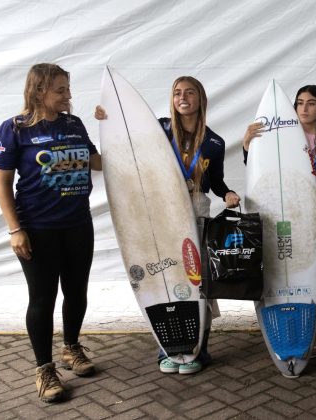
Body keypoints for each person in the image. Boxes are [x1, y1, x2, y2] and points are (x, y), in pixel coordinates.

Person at [96, 76, 240, 374]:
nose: (182, 97)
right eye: (176, 93)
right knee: (161, 274)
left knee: (196, 280)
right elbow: (127, 139)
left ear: (200, 99)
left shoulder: (214, 142)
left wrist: (227, 193)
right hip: (159, 210)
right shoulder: (160, 129)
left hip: (196, 209)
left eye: (189, 92)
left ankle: (199, 347)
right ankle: (167, 348)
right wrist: (107, 117)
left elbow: (216, 183)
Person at [0, 63, 102, 403]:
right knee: (42, 299)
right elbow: (2, 185)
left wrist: (109, 125)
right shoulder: (14, 129)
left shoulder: (74, 124)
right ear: (39, 91)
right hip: (38, 229)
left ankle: (71, 349)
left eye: (68, 88)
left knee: (76, 291)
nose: (68, 95)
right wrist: (15, 230)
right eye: (60, 89)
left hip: (78, 223)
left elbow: (97, 163)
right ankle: (44, 370)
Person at [242, 85, 316, 360]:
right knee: (281, 273)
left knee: (313, 277)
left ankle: (310, 336)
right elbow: (258, 171)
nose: (304, 108)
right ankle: (285, 333)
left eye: (311, 103)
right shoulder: (277, 136)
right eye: (299, 102)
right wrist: (247, 147)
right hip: (284, 215)